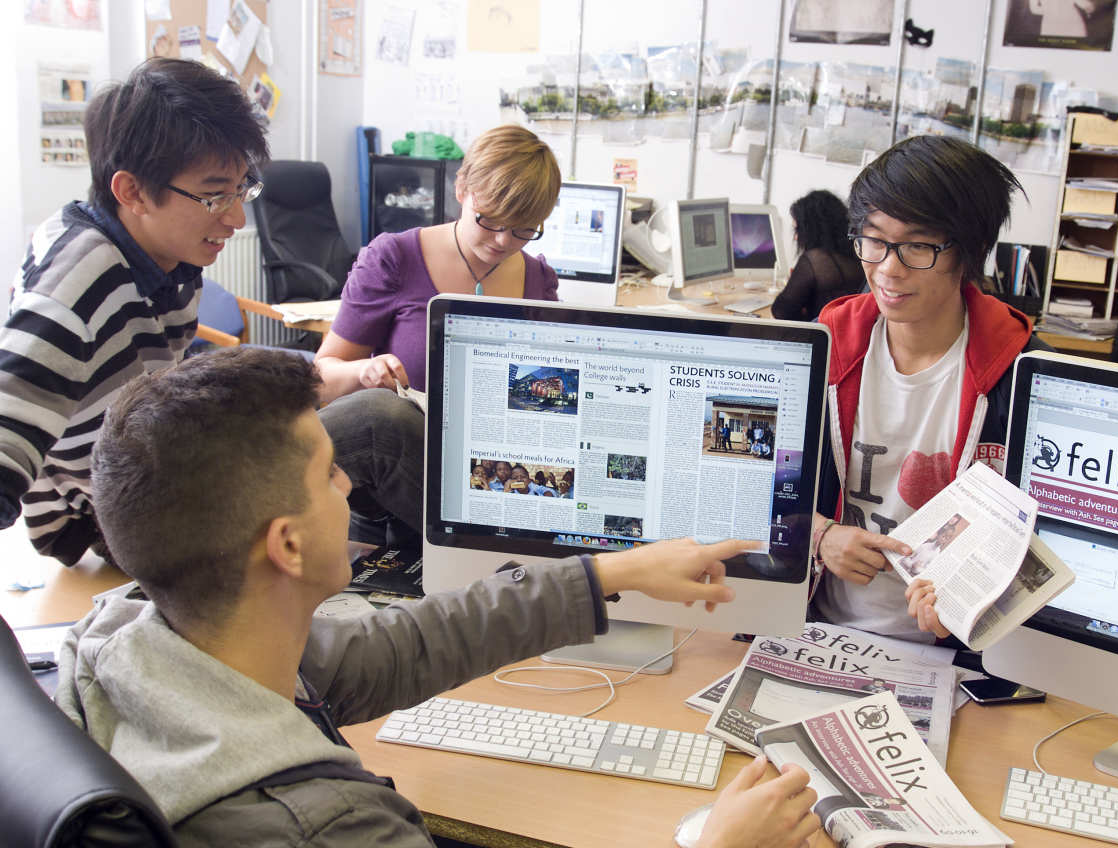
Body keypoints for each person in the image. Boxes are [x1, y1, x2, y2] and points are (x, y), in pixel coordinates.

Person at [60, 347, 819, 847]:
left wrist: (611, 574)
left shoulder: (140, 643)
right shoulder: (330, 829)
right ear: (286, 546)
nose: (351, 485)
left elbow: (402, 645)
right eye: (329, 473)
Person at [0, 57, 267, 565]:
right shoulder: (76, 283)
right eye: (214, 196)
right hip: (115, 512)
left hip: (149, 471)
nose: (235, 216)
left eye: (242, 189)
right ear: (132, 191)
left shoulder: (168, 259)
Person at [809, 135, 1050, 643]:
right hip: (821, 628)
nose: (889, 268)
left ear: (967, 252)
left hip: (959, 655)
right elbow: (758, 480)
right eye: (873, 240)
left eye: (918, 245)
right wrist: (820, 536)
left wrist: (975, 607)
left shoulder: (1022, 376)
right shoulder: (827, 347)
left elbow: (1047, 545)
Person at [317, 125, 563, 543]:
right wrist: (363, 371)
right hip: (404, 484)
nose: (503, 241)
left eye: (524, 229)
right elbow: (320, 378)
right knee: (382, 418)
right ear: (461, 188)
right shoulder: (394, 258)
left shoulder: (539, 280)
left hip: (493, 473)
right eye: (489, 221)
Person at [770, 190, 865, 322]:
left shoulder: (815, 260)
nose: (796, 237)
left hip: (825, 334)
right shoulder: (858, 253)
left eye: (798, 229)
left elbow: (781, 310)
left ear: (812, 228)